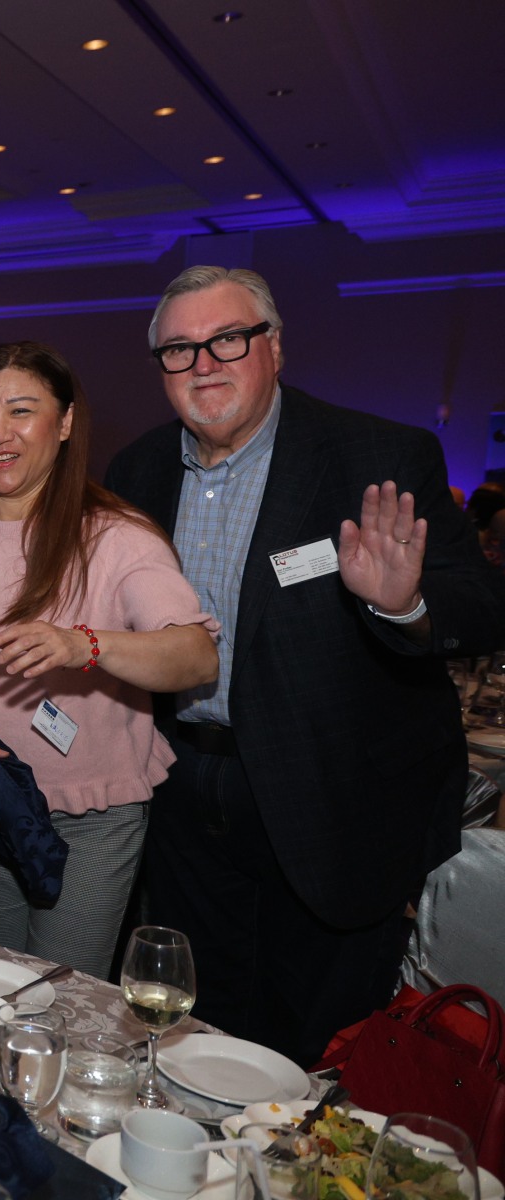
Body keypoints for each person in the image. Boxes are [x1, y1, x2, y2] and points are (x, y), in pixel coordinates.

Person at [104, 266, 505, 1065]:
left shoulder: (379, 455)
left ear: (275, 347)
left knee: (317, 1048)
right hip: (184, 791)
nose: (203, 364)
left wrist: (404, 604)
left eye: (227, 339)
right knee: (197, 1031)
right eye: (179, 349)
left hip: (333, 802)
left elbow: (481, 606)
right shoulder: (134, 472)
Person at [0, 341, 216, 978]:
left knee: (59, 996)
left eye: (21, 410)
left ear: (65, 422)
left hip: (90, 817)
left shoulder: (117, 536)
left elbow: (196, 657)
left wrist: (85, 645)